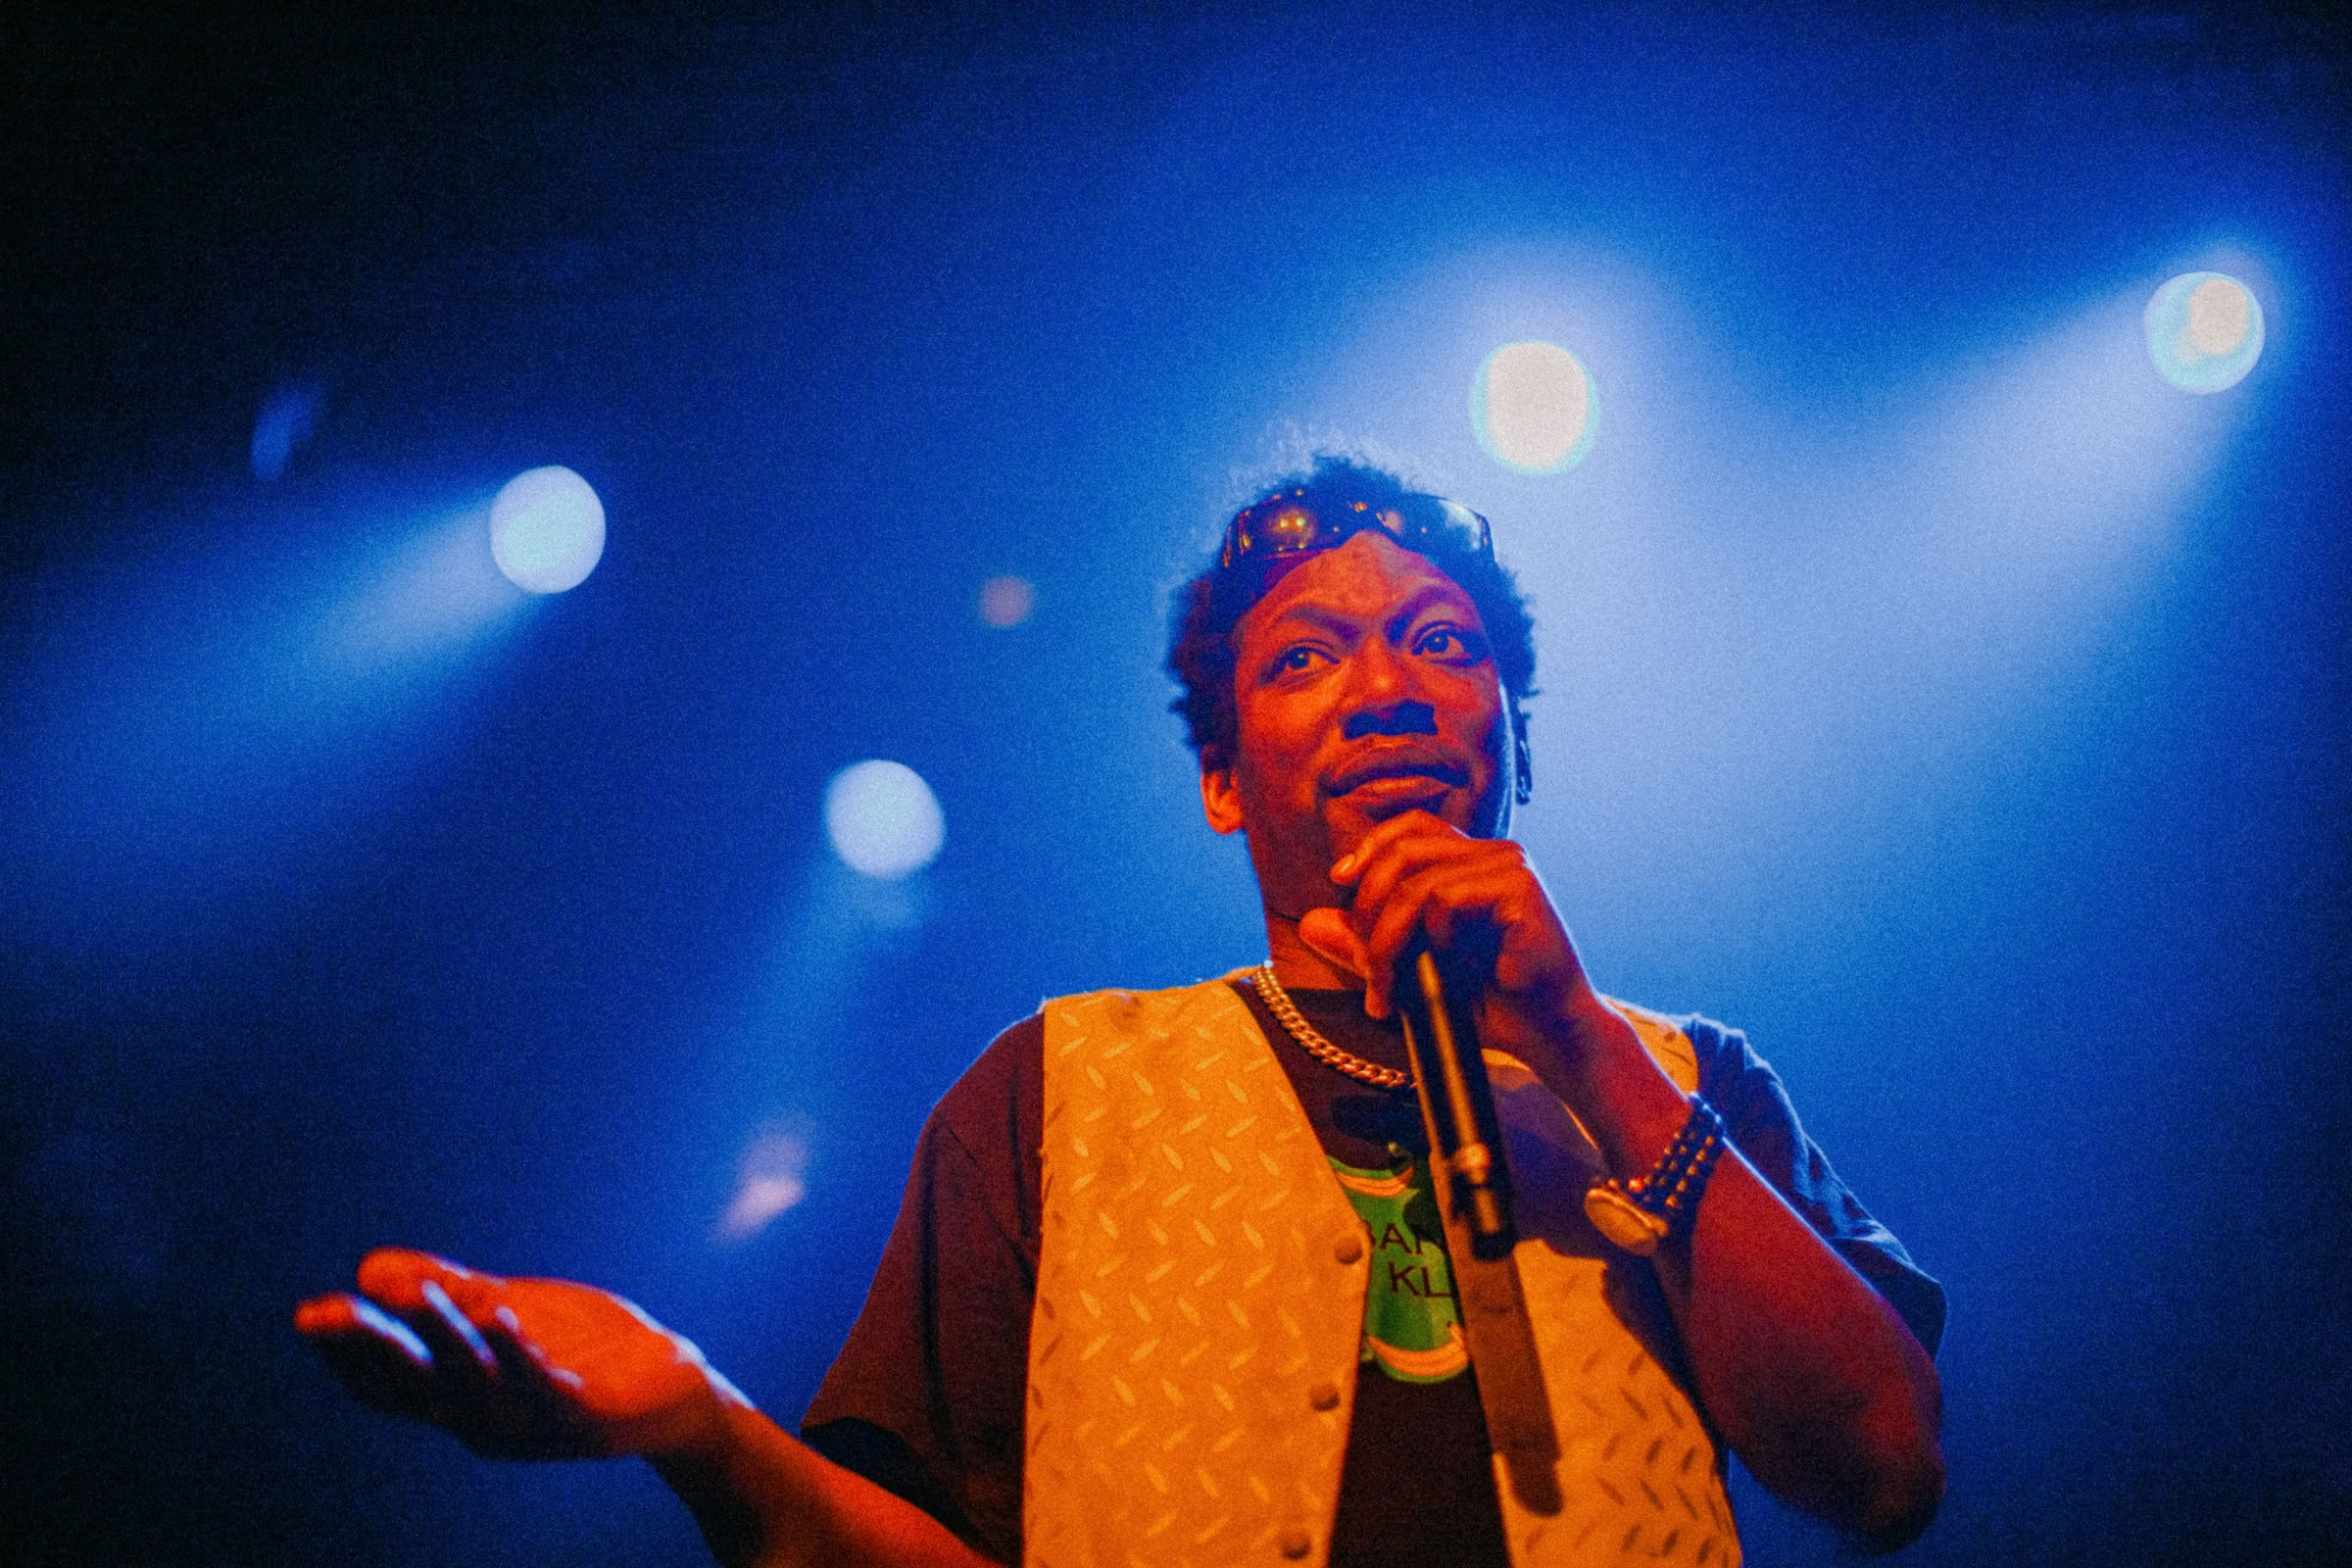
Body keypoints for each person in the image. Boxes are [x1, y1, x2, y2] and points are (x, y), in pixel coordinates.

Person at [299, 458, 1945, 1567]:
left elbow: (1885, 1469)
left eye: (1440, 645)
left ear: (1512, 738)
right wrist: (704, 1431)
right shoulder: (1055, 1093)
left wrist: (1581, 1045)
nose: (1385, 685)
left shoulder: (1687, 1080)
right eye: (1307, 658)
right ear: (1225, 781)